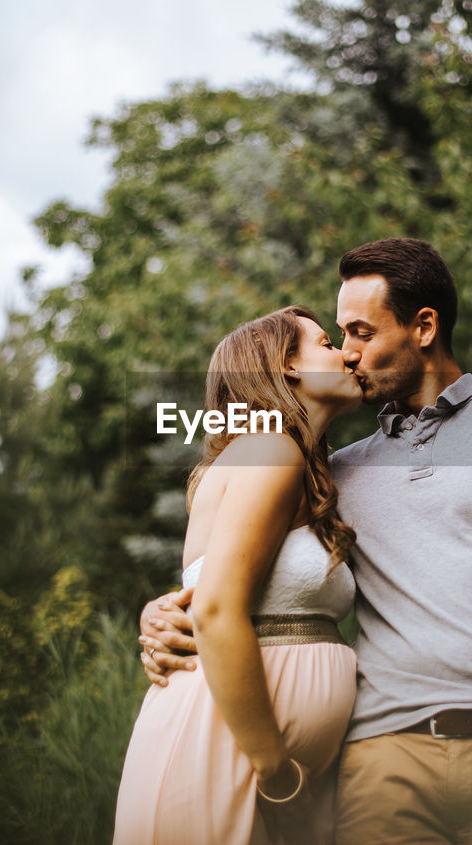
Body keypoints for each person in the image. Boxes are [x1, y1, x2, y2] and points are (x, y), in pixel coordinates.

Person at [140, 239, 472, 844]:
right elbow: (246, 565)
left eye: (361, 333)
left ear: (424, 328)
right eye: (338, 336)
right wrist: (162, 610)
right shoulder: (332, 472)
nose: (348, 354)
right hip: (380, 762)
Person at [113, 306, 364, 845]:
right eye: (325, 343)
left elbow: (203, 588)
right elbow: (214, 608)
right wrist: (276, 771)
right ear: (287, 366)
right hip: (227, 753)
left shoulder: (301, 466)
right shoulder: (271, 450)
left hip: (272, 769)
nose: (345, 352)